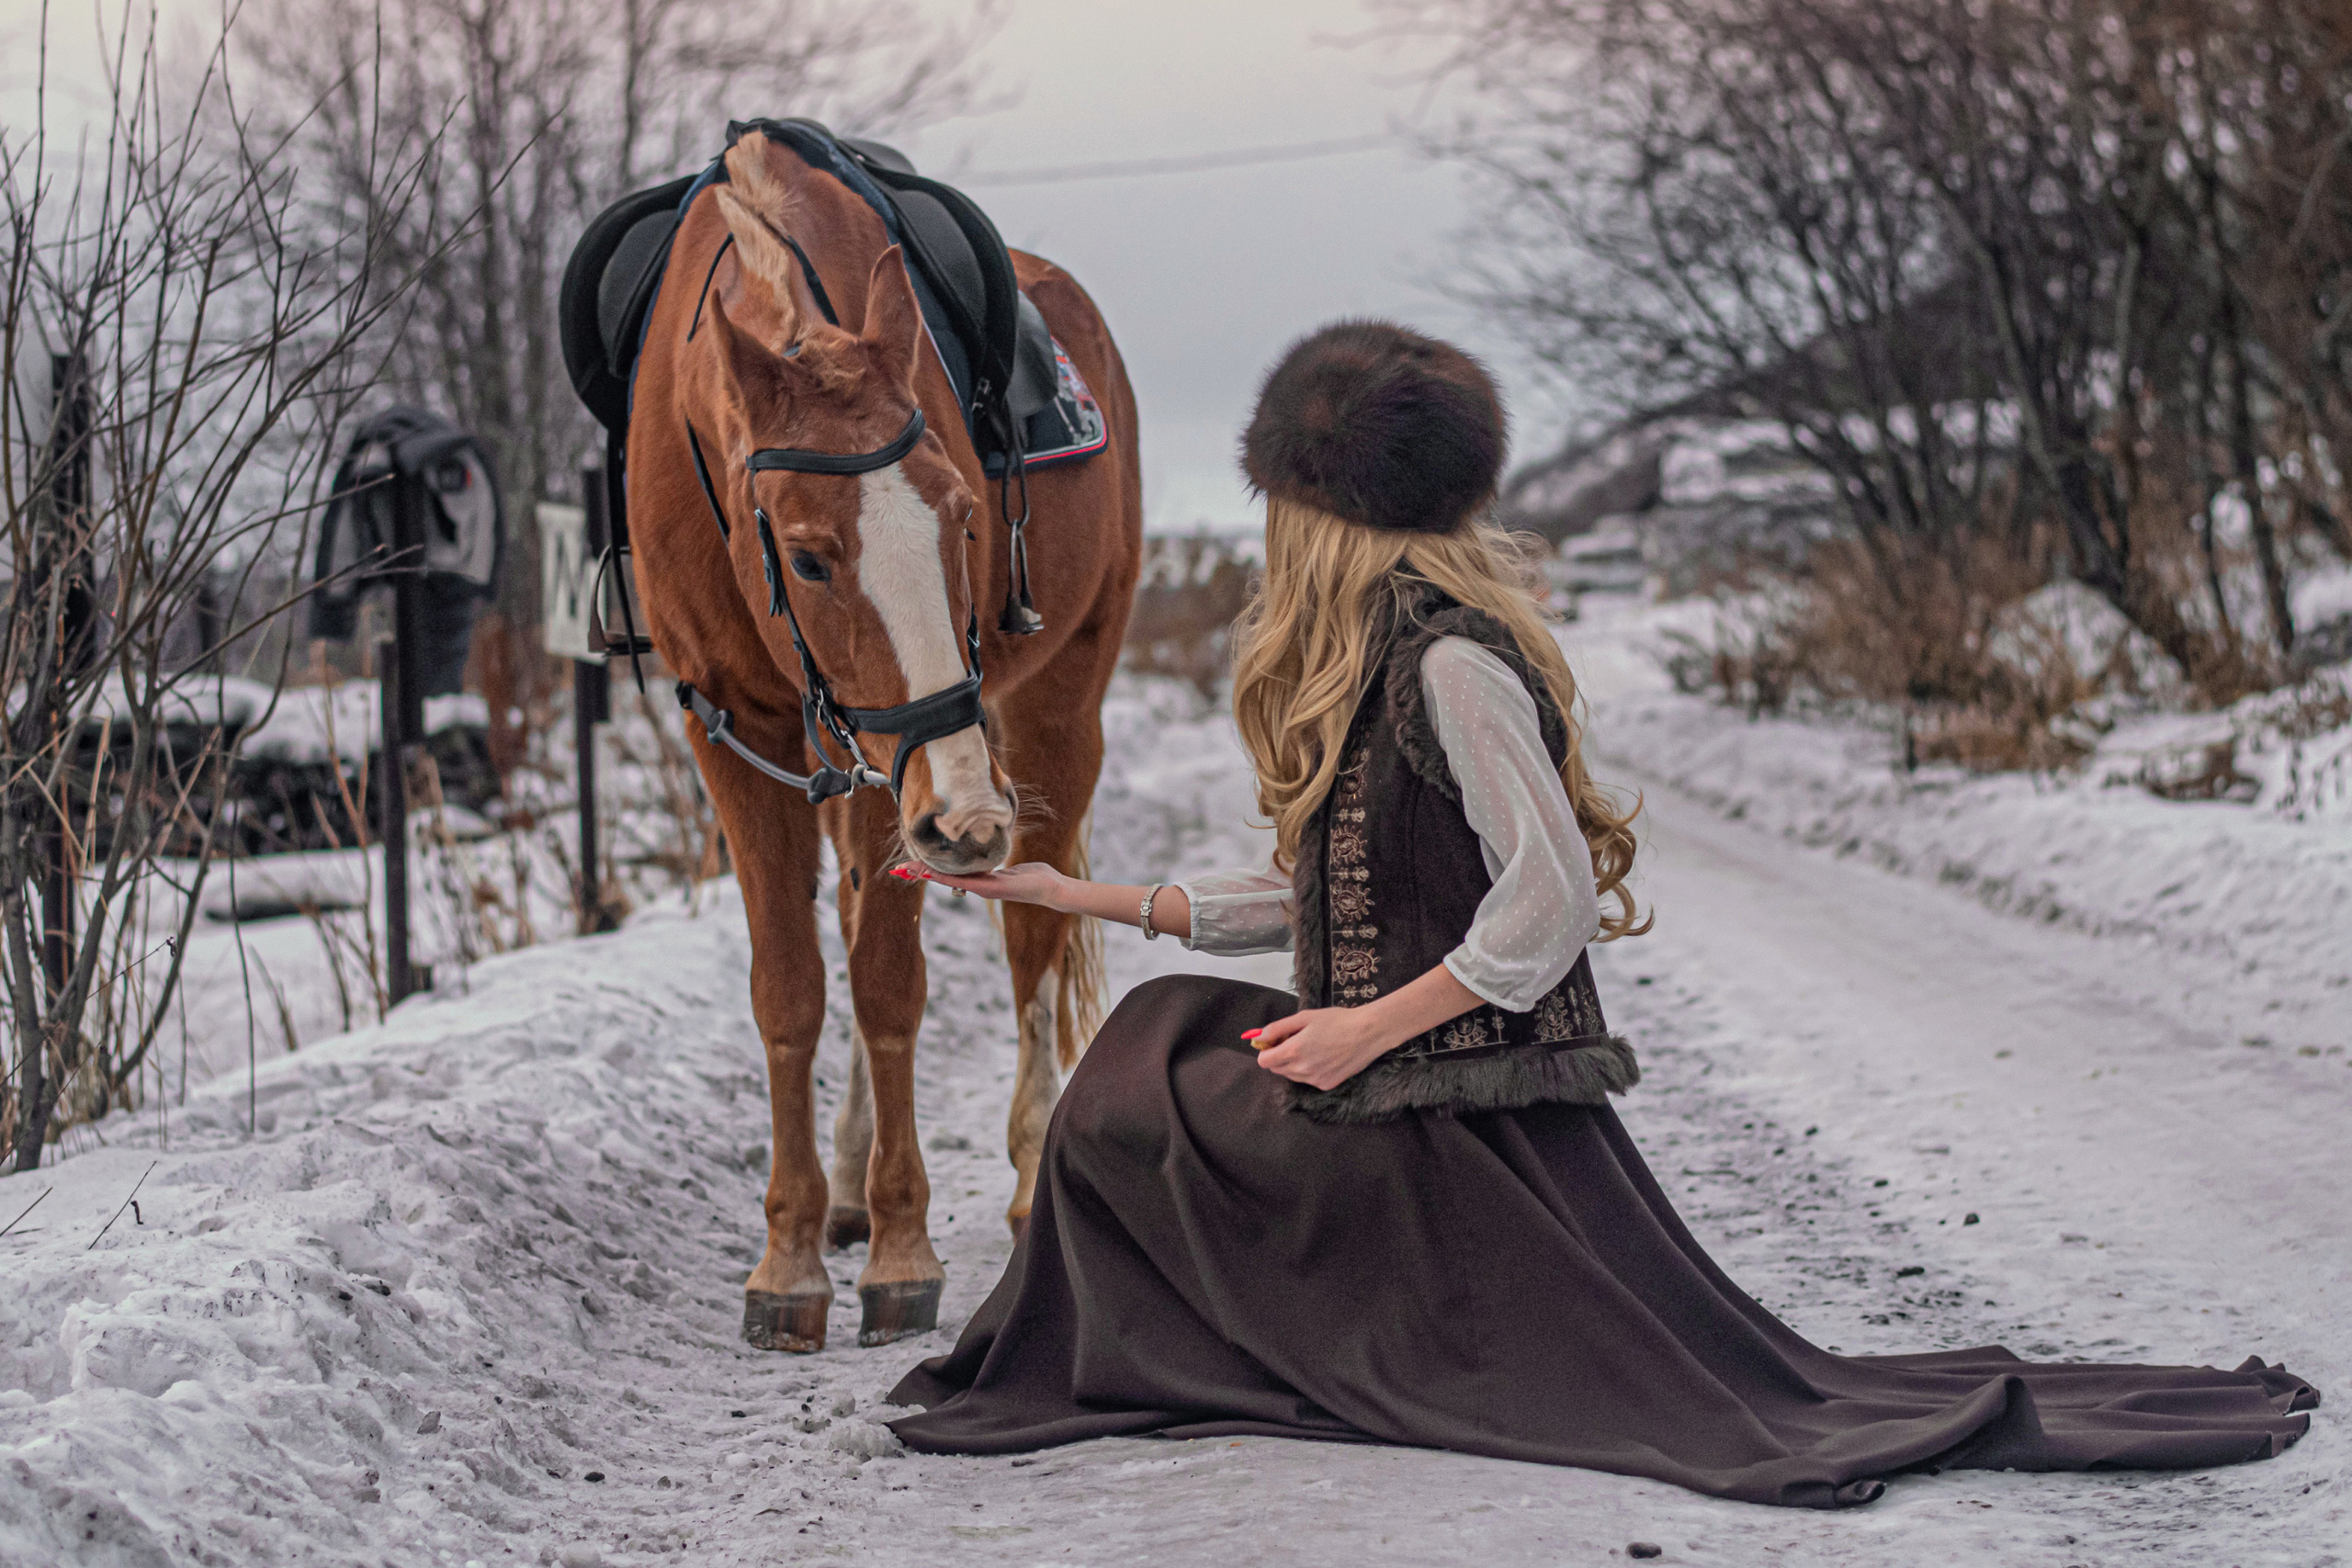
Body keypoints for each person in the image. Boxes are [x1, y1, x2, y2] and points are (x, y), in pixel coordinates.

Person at [883, 321, 2316, 1507]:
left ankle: (1221, 1350)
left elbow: (1551, 896)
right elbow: (1331, 891)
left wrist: (1363, 1032)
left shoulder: (1449, 666)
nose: (1269, 534)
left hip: (1455, 1124)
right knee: (1163, 1040)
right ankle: (1223, 1345)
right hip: (1407, 1095)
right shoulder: (1378, 659)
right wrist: (1073, 891)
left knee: (1145, 1085)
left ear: (1328, 516)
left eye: (1282, 504)